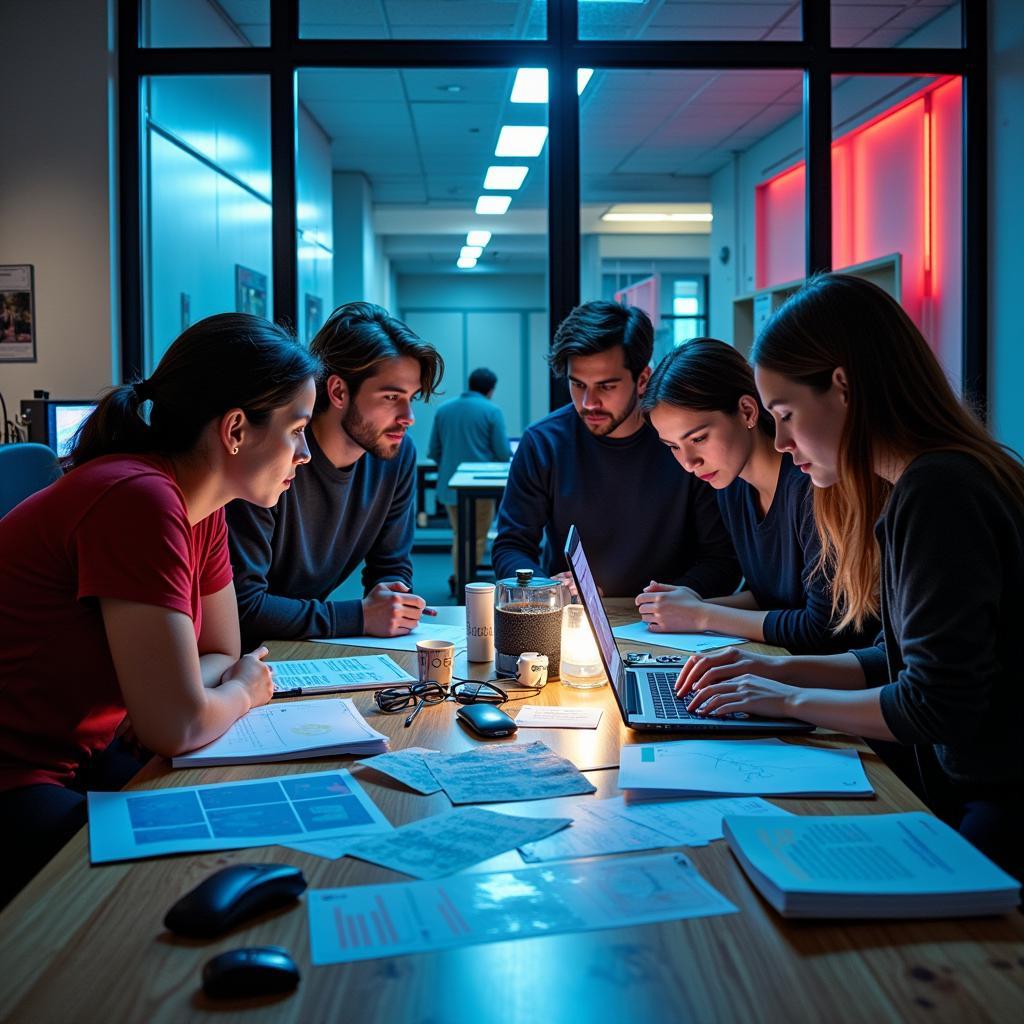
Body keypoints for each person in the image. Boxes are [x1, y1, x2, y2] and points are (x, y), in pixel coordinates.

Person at [675, 274, 1024, 879]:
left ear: (843, 387)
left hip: (998, 802)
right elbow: (897, 655)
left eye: (785, 414)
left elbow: (934, 704)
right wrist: (773, 668)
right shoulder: (921, 482)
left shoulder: (939, 490)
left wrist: (785, 699)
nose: (779, 441)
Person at [0, 314, 319, 905]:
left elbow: (218, 653)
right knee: (163, 889)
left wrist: (192, 699)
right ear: (235, 430)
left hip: (85, 758)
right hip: (17, 778)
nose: (305, 453)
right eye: (298, 429)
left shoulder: (203, 506)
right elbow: (178, 721)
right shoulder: (140, 500)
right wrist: (241, 693)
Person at [637, 338, 876, 653]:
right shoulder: (731, 487)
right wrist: (684, 606)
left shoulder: (812, 483)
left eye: (698, 438)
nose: (688, 462)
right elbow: (772, 598)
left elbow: (825, 628)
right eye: (673, 447)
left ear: (747, 411)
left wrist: (702, 614)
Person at [227, 301, 443, 647]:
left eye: (412, 398)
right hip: (241, 652)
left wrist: (393, 598)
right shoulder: (275, 454)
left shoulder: (396, 456)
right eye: (391, 397)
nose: (408, 416)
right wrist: (358, 616)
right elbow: (241, 606)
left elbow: (390, 564)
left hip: (304, 641)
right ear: (339, 391)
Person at [492, 300, 740, 597]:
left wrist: (683, 596)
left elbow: (722, 559)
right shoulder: (544, 442)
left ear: (642, 379)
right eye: (578, 385)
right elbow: (512, 546)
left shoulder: (683, 443)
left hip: (673, 624)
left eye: (606, 386)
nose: (589, 403)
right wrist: (541, 589)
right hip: (572, 618)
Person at [428, 367, 512, 594]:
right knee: (476, 537)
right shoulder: (492, 411)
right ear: (490, 390)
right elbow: (503, 453)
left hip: (449, 486)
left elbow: (434, 450)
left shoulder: (444, 410)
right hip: (479, 488)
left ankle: (459, 578)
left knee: (460, 534)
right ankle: (466, 583)